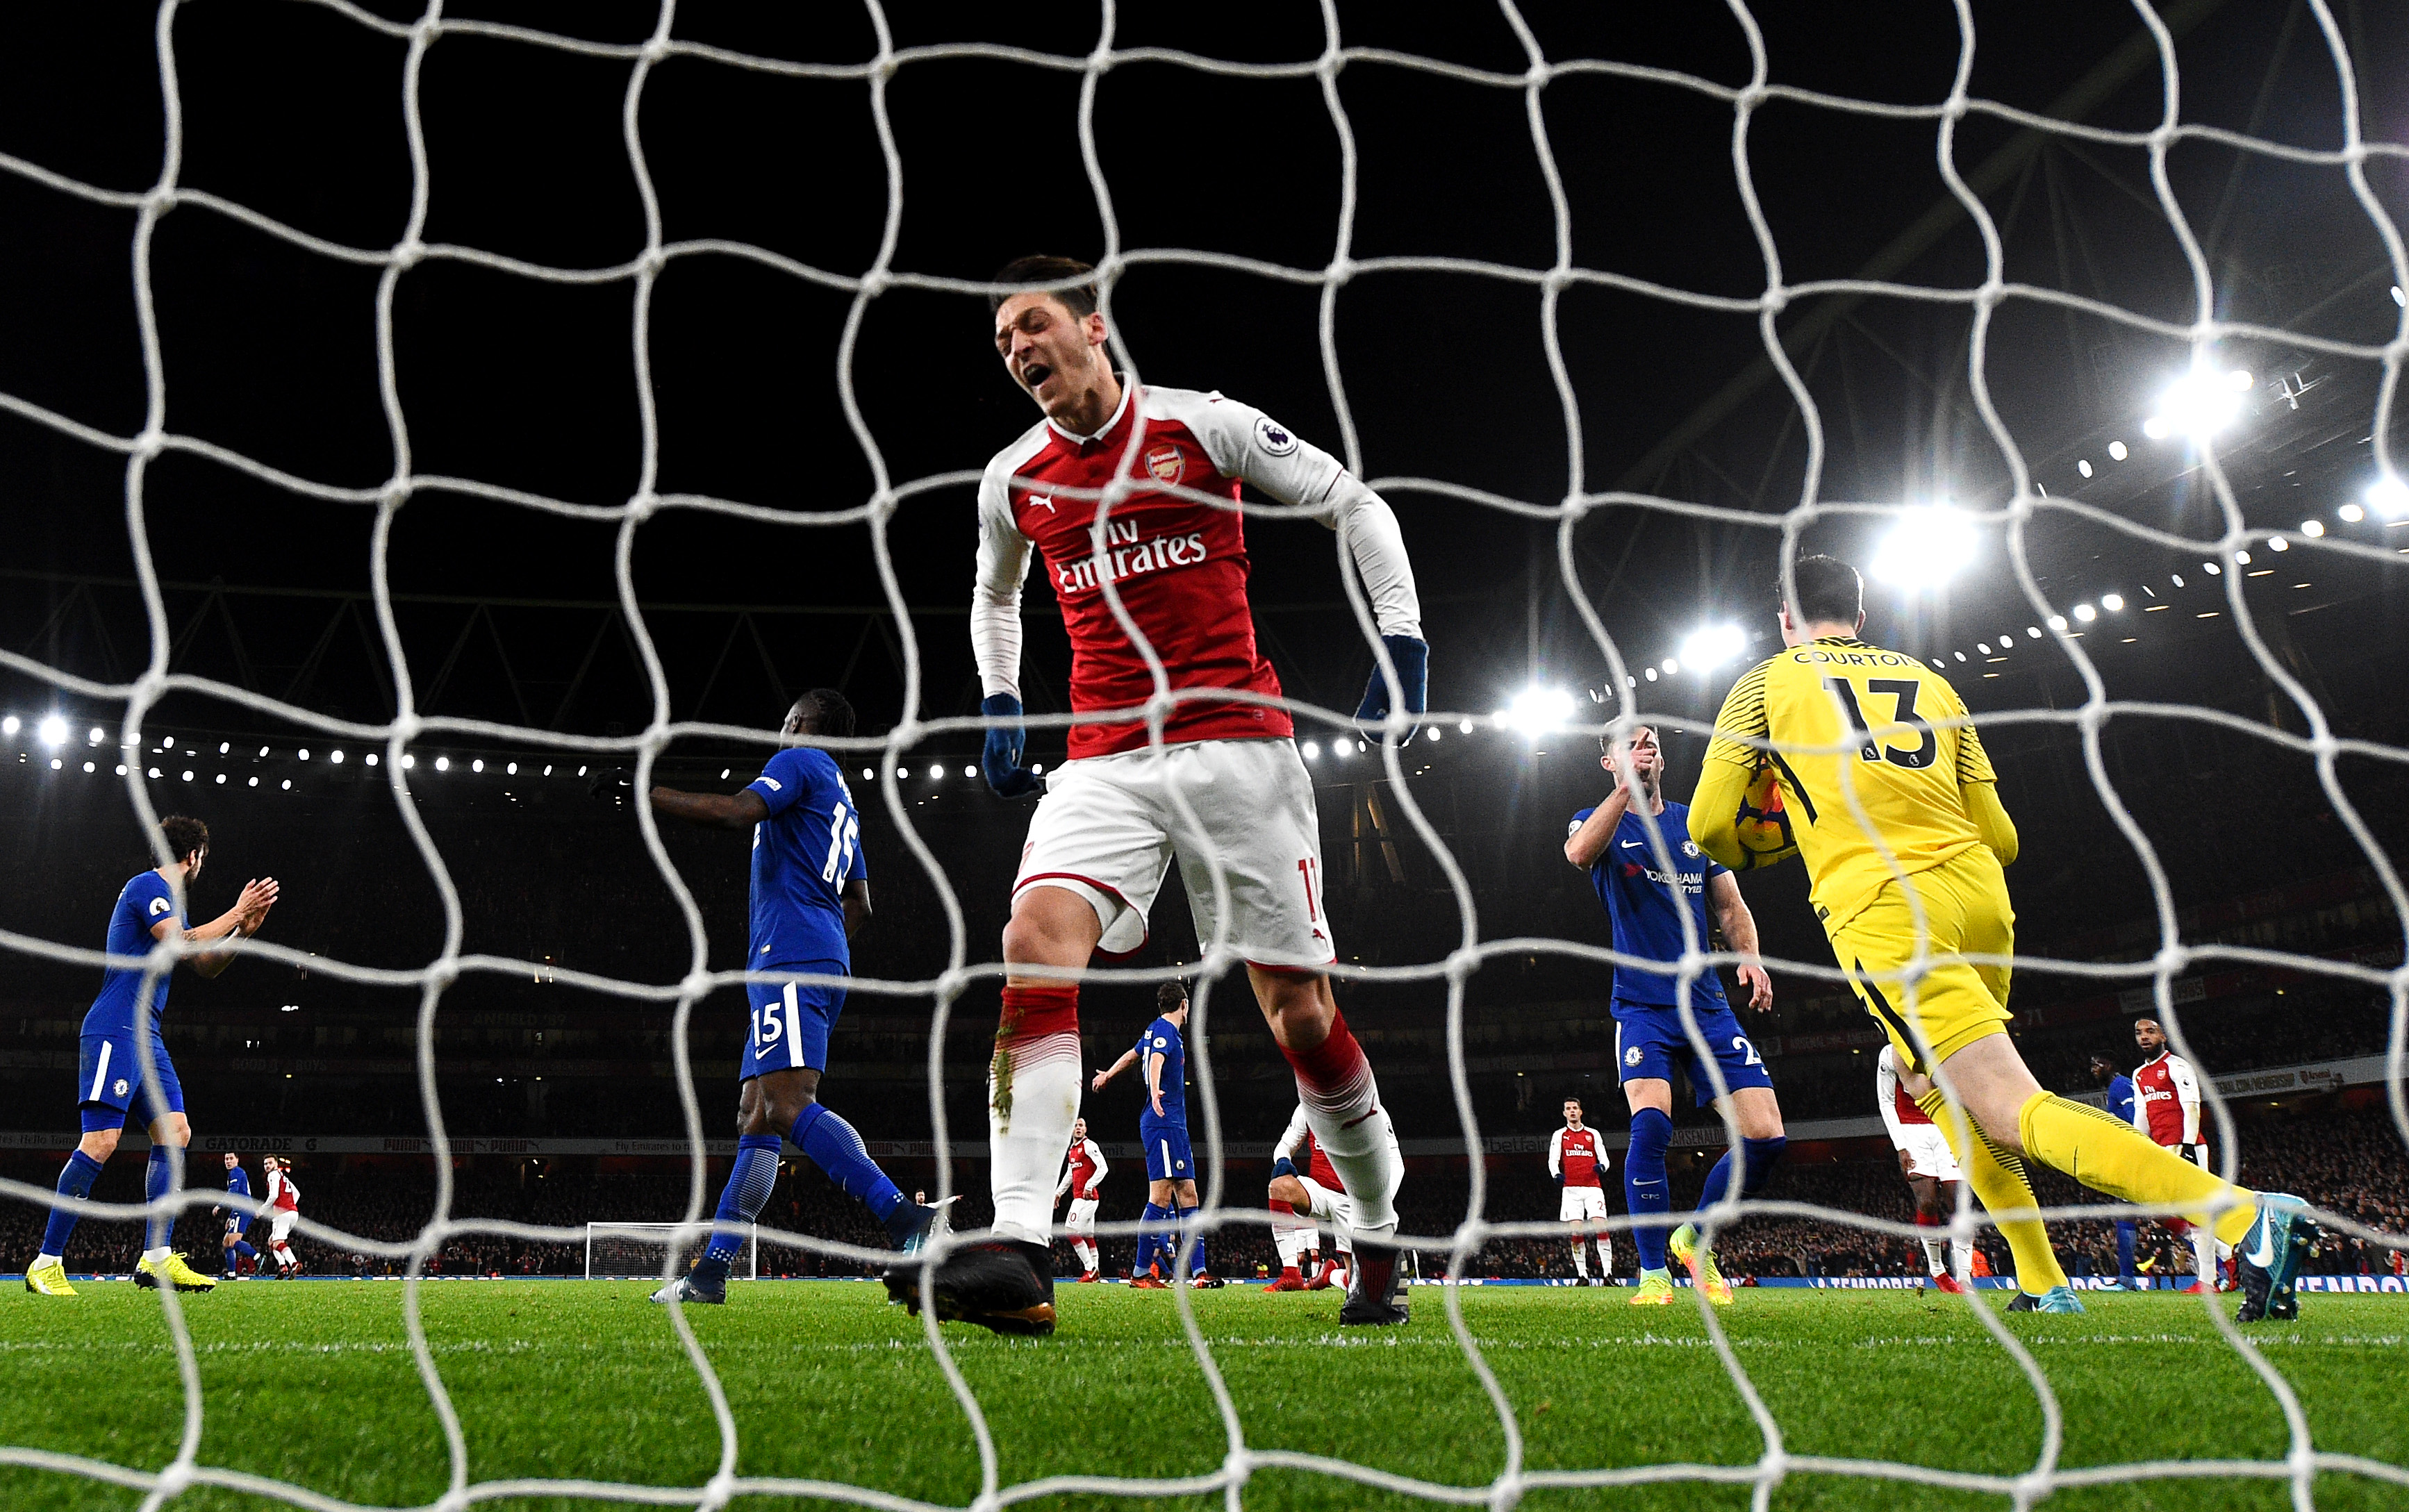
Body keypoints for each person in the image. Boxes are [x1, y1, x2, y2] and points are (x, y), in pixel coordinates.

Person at [895, 256, 1425, 1334]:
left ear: (1092, 325)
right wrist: (1002, 696)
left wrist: (1405, 638)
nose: (1018, 352)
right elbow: (995, 595)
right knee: (1032, 941)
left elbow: (1352, 504)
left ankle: (1375, 1232)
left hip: (1240, 748)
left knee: (1300, 1014)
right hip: (1105, 762)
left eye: (1032, 327)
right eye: (1002, 344)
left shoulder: (1205, 426)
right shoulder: (1016, 477)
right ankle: (1019, 1249)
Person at [1688, 554, 2315, 1321]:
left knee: (2009, 1104)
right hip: (1981, 900)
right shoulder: (1933, 684)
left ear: (1784, 618)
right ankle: (2044, 1277)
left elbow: (1710, 828)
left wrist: (1794, 825)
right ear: (1862, 611)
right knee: (1937, 1086)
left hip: (1884, 906)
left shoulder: (1766, 681)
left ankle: (2244, 1215)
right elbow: (2002, 835)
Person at [646, 692, 943, 1306]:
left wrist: (650, 797)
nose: (781, 730)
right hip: (814, 956)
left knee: (787, 1105)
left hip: (789, 956)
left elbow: (735, 812)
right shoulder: (841, 796)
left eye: (787, 721)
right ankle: (710, 1275)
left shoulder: (802, 762)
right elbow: (862, 904)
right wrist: (824, 947)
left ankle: (905, 1220)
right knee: (755, 1115)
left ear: (807, 726)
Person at [1564, 724, 1782, 1308]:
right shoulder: (1599, 819)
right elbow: (1579, 853)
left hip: (1707, 1005)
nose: (1647, 747)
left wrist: (1752, 961)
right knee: (1653, 1125)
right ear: (1609, 760)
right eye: (1632, 743)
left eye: (1652, 740)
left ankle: (1695, 1237)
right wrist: (1626, 790)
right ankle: (1653, 1272)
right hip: (1641, 1006)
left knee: (1766, 1136)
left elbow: (1731, 905)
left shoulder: (1695, 823)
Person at [26, 815, 278, 1297]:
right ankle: (46, 1262)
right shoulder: (145, 887)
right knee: (101, 1140)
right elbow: (180, 943)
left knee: (176, 1130)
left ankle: (156, 1256)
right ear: (194, 855)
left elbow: (202, 964)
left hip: (147, 1035)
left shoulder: (174, 906)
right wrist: (235, 910)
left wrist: (243, 931)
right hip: (114, 1028)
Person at [1091, 983, 1211, 1287]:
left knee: (1189, 1194)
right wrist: (1155, 1092)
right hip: (1162, 1122)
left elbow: (1133, 1056)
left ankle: (1199, 1273)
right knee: (1160, 1196)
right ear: (1184, 1005)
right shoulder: (1165, 1033)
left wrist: (1108, 1075)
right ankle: (1141, 1272)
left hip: (1174, 1124)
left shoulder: (1153, 1030)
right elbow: (1155, 1060)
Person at [2130, 1017, 2225, 1291]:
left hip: (2187, 1147)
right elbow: (2142, 1115)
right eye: (2139, 1033)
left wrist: (2186, 1147)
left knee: (2197, 1214)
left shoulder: (2178, 1066)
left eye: (2150, 1031)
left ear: (2164, 1036)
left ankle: (2208, 1280)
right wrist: (2140, 1146)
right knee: (2157, 1209)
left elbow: (2192, 1107)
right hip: (2161, 1150)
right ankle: (2227, 1254)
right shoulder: (2139, 1075)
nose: (2144, 1037)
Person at [1876, 1044, 1971, 1293]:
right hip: (1911, 1131)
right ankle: (1938, 1270)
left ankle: (1965, 1276)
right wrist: (1901, 1146)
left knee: (1956, 1200)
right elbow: (1886, 1102)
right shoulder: (1889, 1054)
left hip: (1946, 1126)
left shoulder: (1945, 1042)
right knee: (1927, 1202)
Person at [1266, 1103, 1373, 1293]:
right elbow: (1284, 1146)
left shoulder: (1364, 1108)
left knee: (1360, 1287)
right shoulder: (1307, 1108)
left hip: (1353, 1200)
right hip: (1320, 1192)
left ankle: (1329, 1275)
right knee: (1278, 1187)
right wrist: (1283, 1160)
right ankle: (1291, 1275)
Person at [2090, 1056, 2143, 1290]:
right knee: (2128, 1216)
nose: (2093, 1070)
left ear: (2109, 1065)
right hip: (2132, 1158)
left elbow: (2136, 1120)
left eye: (2096, 1065)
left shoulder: (2120, 1086)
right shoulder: (2118, 1087)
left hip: (2135, 1159)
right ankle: (2126, 1279)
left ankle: (2126, 1279)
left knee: (2129, 1216)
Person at [1546, 1099, 1613, 1286]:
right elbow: (1553, 1160)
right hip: (1571, 1190)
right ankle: (1583, 1275)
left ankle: (1608, 1274)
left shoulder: (1593, 1134)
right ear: (1564, 1113)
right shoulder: (1560, 1135)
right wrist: (1556, 1174)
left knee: (1601, 1228)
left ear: (1581, 1112)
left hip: (1593, 1188)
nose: (1572, 1111)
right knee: (1577, 1232)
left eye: (1575, 1108)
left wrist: (1602, 1168)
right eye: (1568, 1109)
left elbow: (1605, 1159)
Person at [1054, 1118, 1108, 1282]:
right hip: (1081, 1198)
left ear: (1086, 1129)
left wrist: (1089, 1185)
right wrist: (1058, 1193)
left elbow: (1103, 1168)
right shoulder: (1073, 1150)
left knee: (1070, 1230)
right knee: (1087, 1236)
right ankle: (1096, 1272)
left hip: (1086, 1199)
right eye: (1075, 1126)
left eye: (1081, 1126)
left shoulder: (1089, 1146)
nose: (1078, 1128)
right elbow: (1071, 1174)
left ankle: (1089, 1269)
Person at [217, 1153, 261, 1279]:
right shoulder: (235, 1172)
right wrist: (231, 1216)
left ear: (237, 1160)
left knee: (233, 1242)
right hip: (240, 1209)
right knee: (227, 1243)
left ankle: (257, 1257)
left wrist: (220, 1205)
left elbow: (233, 1192)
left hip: (242, 1209)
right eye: (226, 1159)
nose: (228, 1161)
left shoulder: (236, 1172)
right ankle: (231, 1274)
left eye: (231, 1159)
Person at [262, 1157, 303, 1277]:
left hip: (283, 1214)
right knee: (272, 1241)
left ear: (276, 1164)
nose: (268, 1166)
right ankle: (283, 1267)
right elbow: (297, 1193)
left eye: (270, 1163)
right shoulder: (283, 1177)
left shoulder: (273, 1175)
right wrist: (290, 1205)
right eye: (265, 1164)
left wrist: (262, 1210)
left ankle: (294, 1263)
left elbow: (273, 1195)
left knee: (277, 1243)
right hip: (293, 1214)